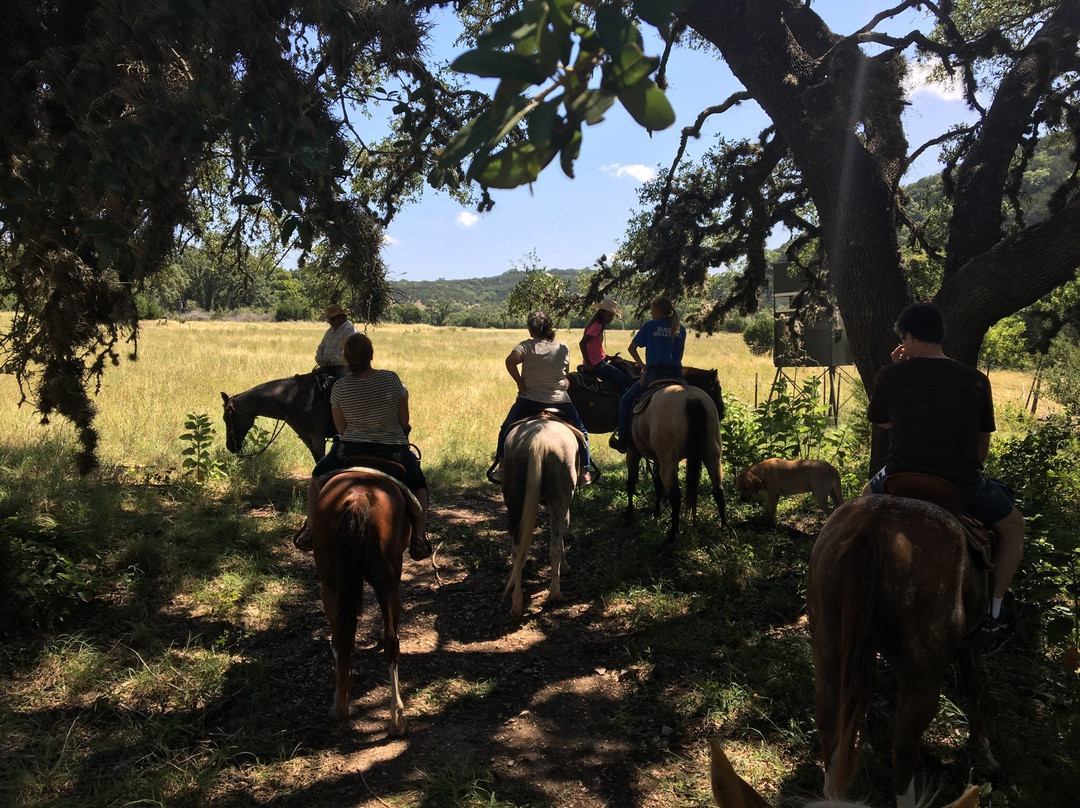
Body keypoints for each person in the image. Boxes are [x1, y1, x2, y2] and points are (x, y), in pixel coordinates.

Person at [866, 301, 1024, 641]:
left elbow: (884, 423)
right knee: (1014, 528)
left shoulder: (890, 374)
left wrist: (896, 369)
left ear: (909, 336)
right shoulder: (976, 380)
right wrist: (974, 470)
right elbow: (982, 440)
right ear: (939, 335)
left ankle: (857, 580)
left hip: (900, 475)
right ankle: (995, 610)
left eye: (903, 339)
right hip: (960, 481)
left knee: (862, 502)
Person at [295, 332, 432, 561]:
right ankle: (419, 538)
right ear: (371, 355)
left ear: (346, 359)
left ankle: (310, 529)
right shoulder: (392, 379)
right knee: (419, 486)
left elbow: (341, 429)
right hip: (393, 451)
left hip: (350, 449)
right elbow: (404, 421)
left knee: (316, 477)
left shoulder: (340, 387)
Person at [490, 310, 593, 484]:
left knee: (506, 428)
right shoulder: (563, 348)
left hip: (529, 400)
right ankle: (584, 471)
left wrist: (520, 382)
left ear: (531, 329)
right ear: (549, 327)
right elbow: (564, 376)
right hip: (559, 401)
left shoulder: (525, 346)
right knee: (582, 432)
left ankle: (502, 467)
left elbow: (510, 361)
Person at [611, 296, 687, 453]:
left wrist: (643, 367)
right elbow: (679, 355)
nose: (651, 313)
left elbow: (632, 348)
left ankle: (623, 440)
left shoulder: (650, 326)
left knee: (625, 400)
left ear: (658, 310)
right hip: (677, 375)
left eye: (652, 309)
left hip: (655, 375)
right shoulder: (681, 329)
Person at [579, 297, 634, 394]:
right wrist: (588, 363)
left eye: (612, 316)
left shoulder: (594, 324)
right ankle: (622, 402)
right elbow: (582, 343)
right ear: (602, 312)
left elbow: (595, 348)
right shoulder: (598, 326)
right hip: (598, 364)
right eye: (609, 315)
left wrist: (608, 357)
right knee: (625, 381)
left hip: (599, 361)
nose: (611, 318)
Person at [314, 303, 357, 379]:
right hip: (327, 366)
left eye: (332, 319)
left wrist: (330, 360)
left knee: (338, 382)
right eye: (328, 319)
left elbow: (348, 353)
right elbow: (322, 346)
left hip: (342, 368)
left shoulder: (350, 331)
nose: (329, 322)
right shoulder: (330, 331)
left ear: (341, 317)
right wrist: (319, 357)